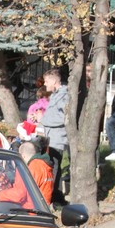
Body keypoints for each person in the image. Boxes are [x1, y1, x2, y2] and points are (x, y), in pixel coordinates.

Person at [38, 69, 69, 203]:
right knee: (52, 167)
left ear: (54, 81)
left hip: (57, 139)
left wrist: (42, 119)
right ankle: (54, 197)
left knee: (54, 168)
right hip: (51, 138)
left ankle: (52, 199)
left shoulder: (64, 95)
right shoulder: (56, 94)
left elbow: (64, 118)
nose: (45, 84)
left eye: (46, 81)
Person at [0, 139, 54, 206]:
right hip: (42, 208)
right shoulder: (44, 165)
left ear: (23, 156)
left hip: (30, 210)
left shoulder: (32, 168)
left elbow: (20, 194)